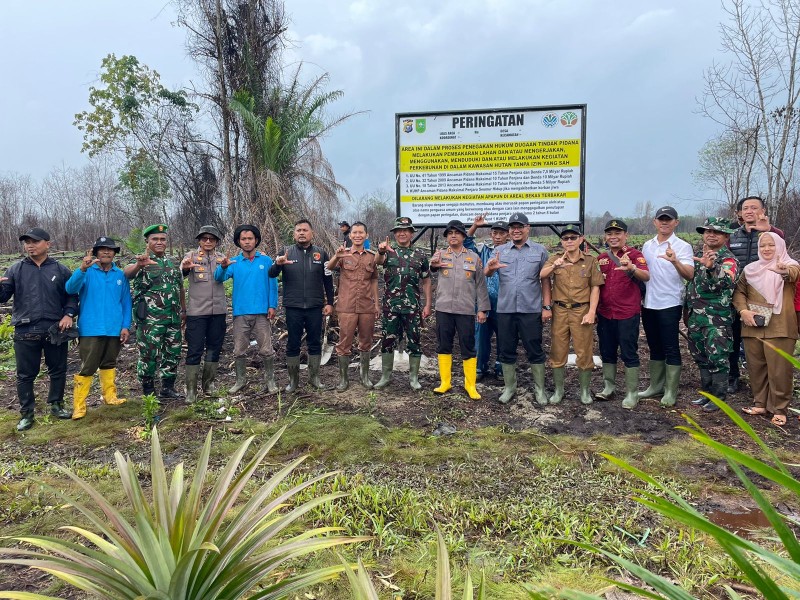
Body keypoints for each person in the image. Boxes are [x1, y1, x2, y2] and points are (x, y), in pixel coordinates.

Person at [0, 228, 78, 431]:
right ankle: (27, 413)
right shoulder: (15, 270)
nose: (30, 245)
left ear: (48, 244)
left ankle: (57, 405)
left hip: (56, 328)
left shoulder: (61, 270)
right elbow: (3, 296)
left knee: (58, 370)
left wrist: (68, 314)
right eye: (27, 242)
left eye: (34, 241)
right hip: (25, 329)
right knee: (25, 374)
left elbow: (71, 295)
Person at [485, 212, 552, 405]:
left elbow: (545, 280)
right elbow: (487, 274)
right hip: (505, 309)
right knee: (506, 349)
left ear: (527, 228)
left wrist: (547, 306)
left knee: (534, 349)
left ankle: (539, 390)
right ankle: (509, 388)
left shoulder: (539, 251)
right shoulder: (501, 251)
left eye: (519, 227)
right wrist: (491, 268)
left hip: (531, 309)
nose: (516, 230)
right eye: (512, 227)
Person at [734, 232, 799, 426]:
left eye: (771, 245)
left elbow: (794, 274)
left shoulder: (791, 265)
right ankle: (760, 402)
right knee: (756, 366)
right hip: (753, 324)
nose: (767, 249)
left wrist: (783, 271)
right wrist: (743, 311)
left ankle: (779, 409)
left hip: (780, 326)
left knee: (779, 370)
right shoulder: (750, 269)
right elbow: (739, 292)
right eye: (763, 246)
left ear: (779, 246)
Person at [66, 237, 131, 419]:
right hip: (91, 328)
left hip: (114, 328)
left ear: (114, 253)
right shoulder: (87, 272)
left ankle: (110, 396)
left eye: (110, 250)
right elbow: (70, 289)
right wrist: (82, 269)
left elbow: (126, 302)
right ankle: (79, 405)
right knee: (87, 366)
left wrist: (125, 326)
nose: (106, 252)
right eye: (102, 249)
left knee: (109, 362)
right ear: (96, 252)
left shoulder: (120, 275)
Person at [540, 225, 604, 405]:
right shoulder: (555, 259)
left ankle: (584, 391)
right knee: (557, 349)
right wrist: (554, 266)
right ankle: (559, 390)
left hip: (581, 310)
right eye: (565, 238)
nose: (569, 241)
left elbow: (595, 287)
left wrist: (592, 312)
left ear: (581, 239)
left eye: (573, 238)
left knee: (584, 351)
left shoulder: (591, 261)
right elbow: (542, 275)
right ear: (561, 241)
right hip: (560, 310)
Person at [727, 196, 785, 394]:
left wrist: (768, 230)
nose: (749, 211)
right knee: (733, 338)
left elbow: (782, 251)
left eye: (754, 208)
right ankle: (733, 377)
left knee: (761, 340)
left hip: (763, 297)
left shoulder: (772, 235)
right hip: (737, 294)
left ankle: (765, 383)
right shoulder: (732, 236)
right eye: (745, 208)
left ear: (763, 211)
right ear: (740, 213)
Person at [268, 219, 334, 392]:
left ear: (312, 233)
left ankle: (314, 378)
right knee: (293, 344)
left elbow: (328, 279)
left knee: (314, 342)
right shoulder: (285, 252)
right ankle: (293, 381)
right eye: (298, 230)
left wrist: (330, 303)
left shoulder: (321, 253)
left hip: (315, 306)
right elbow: (271, 274)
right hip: (293, 306)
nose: (302, 233)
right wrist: (278, 264)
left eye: (305, 230)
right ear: (294, 234)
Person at [639, 206, 694, 407]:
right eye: (661, 219)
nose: (664, 222)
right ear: (655, 222)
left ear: (676, 223)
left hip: (670, 303)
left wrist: (675, 261)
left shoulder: (683, 247)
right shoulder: (647, 246)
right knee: (654, 345)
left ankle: (671, 391)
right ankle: (656, 386)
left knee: (671, 346)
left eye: (668, 219)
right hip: (649, 302)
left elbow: (689, 274)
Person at [429, 219, 490, 399]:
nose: (453, 236)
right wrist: (433, 264)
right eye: (450, 233)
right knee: (443, 345)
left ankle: (470, 385)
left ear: (464, 236)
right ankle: (445, 382)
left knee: (468, 346)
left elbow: (480, 285)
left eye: (457, 233)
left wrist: (482, 309)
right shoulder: (440, 254)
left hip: (465, 310)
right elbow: (431, 268)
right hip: (444, 309)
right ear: (447, 237)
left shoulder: (473, 257)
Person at [215, 224, 279, 394]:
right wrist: (222, 266)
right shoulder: (234, 262)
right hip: (240, 313)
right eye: (243, 239)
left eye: (250, 238)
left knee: (266, 348)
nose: (247, 242)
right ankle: (240, 380)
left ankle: (270, 380)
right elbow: (218, 278)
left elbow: (273, 284)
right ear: (238, 241)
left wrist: (272, 305)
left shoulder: (265, 261)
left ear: (256, 240)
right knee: (239, 349)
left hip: (262, 313)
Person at [123, 224, 185, 399]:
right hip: (150, 319)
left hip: (172, 317)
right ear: (147, 241)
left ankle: (168, 387)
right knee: (149, 354)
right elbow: (127, 274)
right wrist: (138, 265)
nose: (159, 242)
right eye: (155, 239)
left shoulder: (172, 262)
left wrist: (183, 310)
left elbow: (179, 287)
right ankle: (148, 388)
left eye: (163, 239)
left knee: (172, 352)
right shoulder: (141, 260)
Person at [684, 218, 739, 412]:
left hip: (716, 320)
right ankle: (707, 394)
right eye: (707, 231)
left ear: (726, 236)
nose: (710, 235)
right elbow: (692, 285)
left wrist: (711, 267)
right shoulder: (700, 255)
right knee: (700, 356)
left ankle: (719, 397)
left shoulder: (728, 260)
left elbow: (724, 283)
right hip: (696, 318)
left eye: (716, 232)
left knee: (718, 358)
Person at [595, 219, 650, 409]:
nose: (613, 237)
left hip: (627, 313)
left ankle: (631, 393)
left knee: (629, 352)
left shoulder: (635, 255)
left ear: (626, 235)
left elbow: (646, 276)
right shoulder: (601, 258)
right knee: (606, 351)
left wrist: (632, 268)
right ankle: (609, 387)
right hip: (605, 313)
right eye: (609, 233)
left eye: (617, 233)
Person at [374, 217, 432, 390]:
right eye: (398, 231)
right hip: (391, 306)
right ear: (394, 234)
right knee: (387, 341)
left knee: (414, 341)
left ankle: (413, 378)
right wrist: (381, 251)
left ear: (411, 233)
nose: (402, 233)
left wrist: (428, 303)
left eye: (405, 230)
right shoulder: (387, 252)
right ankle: (385, 376)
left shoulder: (421, 255)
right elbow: (377, 261)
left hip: (412, 307)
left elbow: (427, 280)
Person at [327, 222, 379, 391]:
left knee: (366, 341)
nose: (357, 235)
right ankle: (344, 380)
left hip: (366, 306)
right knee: (344, 342)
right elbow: (329, 267)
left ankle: (365, 377)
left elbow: (373, 280)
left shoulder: (372, 256)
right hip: (347, 306)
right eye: (354, 233)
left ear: (366, 235)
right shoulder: (343, 254)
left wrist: (376, 304)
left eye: (361, 233)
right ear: (350, 236)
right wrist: (337, 256)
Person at [181, 226, 227, 403]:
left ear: (216, 241)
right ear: (199, 240)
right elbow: (182, 273)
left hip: (218, 311)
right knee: (194, 350)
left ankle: (208, 385)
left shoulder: (222, 258)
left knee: (214, 348)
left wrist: (223, 268)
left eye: (212, 239)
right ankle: (191, 390)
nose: (208, 241)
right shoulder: (190, 257)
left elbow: (224, 276)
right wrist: (185, 269)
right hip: (197, 313)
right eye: (204, 238)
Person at [464, 215, 509, 380]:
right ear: (491, 234)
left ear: (508, 235)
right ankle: (479, 367)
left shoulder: (512, 251)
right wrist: (475, 226)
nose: (497, 236)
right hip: (483, 301)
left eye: (501, 233)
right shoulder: (483, 251)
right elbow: (466, 243)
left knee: (505, 335)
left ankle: (501, 367)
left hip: (505, 303)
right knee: (480, 335)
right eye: (495, 233)